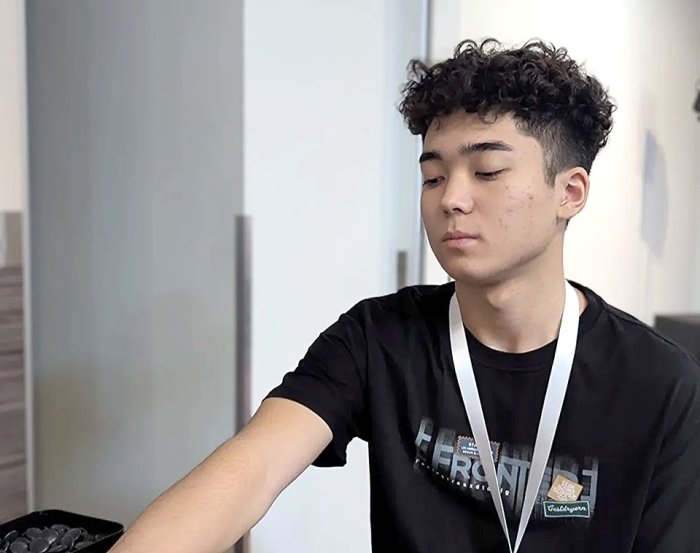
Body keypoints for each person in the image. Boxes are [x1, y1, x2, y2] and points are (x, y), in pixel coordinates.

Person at [110, 39, 700, 553]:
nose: (451, 199)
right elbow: (253, 467)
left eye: (487, 172)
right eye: (433, 177)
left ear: (569, 193)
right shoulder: (379, 338)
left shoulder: (660, 383)